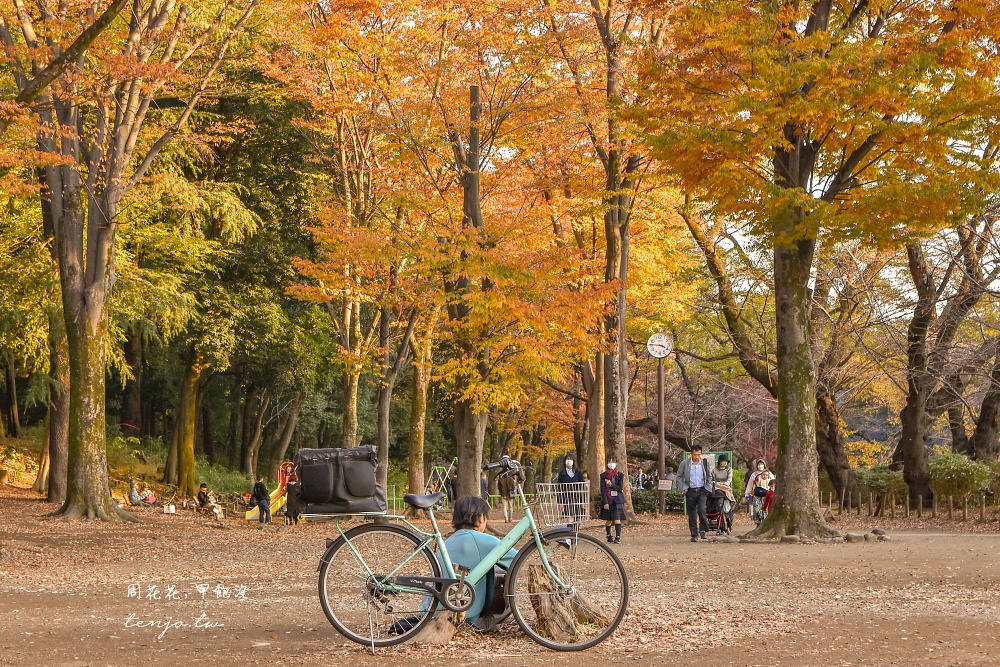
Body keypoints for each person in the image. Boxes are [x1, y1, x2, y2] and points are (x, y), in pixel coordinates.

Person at [443, 496, 517, 630]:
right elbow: (517, 559)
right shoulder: (481, 539)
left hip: (433, 611)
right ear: (481, 517)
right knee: (499, 571)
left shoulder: (447, 541)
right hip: (466, 616)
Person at [676, 445, 714, 542]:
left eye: (699, 454)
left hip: (702, 490)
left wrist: (707, 488)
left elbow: (709, 476)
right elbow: (679, 477)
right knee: (692, 514)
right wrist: (684, 488)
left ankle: (703, 530)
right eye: (695, 454)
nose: (697, 457)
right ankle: (694, 534)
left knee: (702, 510)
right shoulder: (685, 463)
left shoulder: (704, 463)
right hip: (690, 490)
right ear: (691, 454)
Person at [600, 455, 626, 544]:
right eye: (609, 462)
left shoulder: (620, 475)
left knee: (617, 518)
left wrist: (611, 484)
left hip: (617, 499)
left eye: (613, 462)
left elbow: (620, 488)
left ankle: (618, 537)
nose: (611, 464)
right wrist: (605, 502)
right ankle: (608, 534)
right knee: (609, 519)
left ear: (616, 463)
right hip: (608, 499)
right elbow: (602, 490)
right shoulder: (603, 475)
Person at [557, 453, 584, 525]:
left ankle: (576, 531)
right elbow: (559, 488)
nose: (569, 461)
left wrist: (584, 499)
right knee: (569, 515)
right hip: (567, 498)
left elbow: (583, 485)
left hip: (577, 497)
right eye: (567, 459)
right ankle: (570, 531)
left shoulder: (578, 472)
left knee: (578, 516)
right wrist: (560, 502)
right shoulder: (562, 474)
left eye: (570, 459)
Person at [711, 455, 736, 533]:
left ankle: (729, 520)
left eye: (726, 462)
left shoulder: (728, 469)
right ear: (719, 462)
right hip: (717, 486)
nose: (725, 463)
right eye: (723, 461)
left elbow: (729, 479)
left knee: (727, 498)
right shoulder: (715, 470)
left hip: (725, 486)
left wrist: (725, 484)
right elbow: (711, 478)